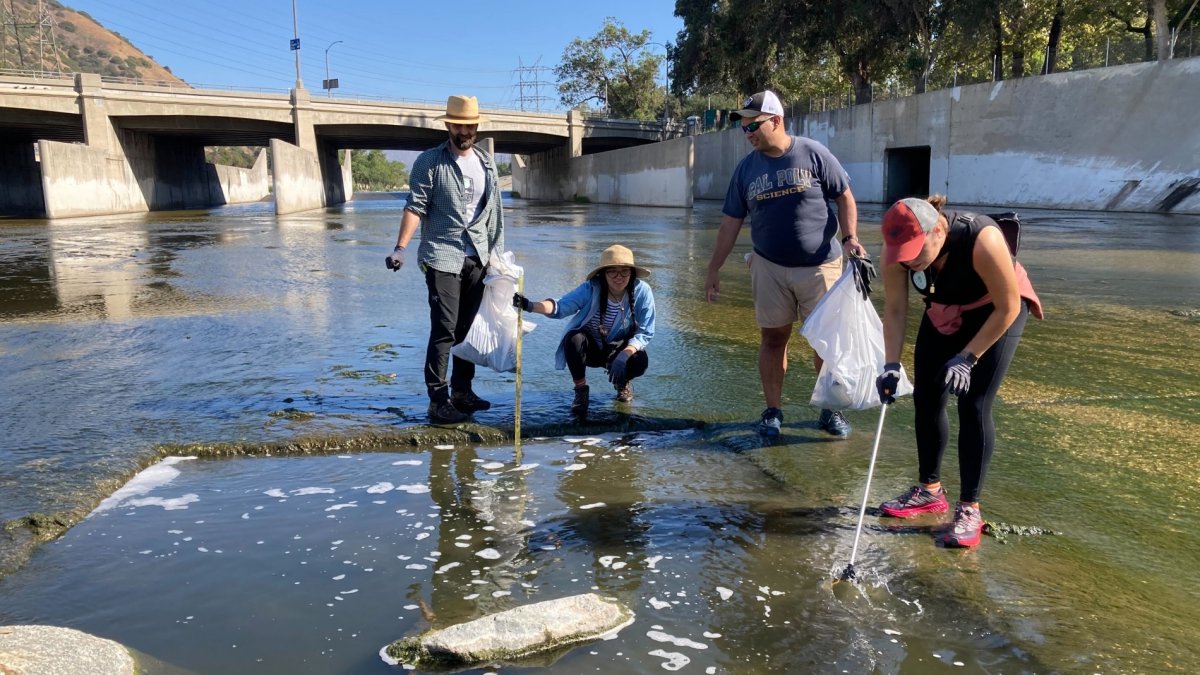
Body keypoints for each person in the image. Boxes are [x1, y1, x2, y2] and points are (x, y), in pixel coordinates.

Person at [875, 196, 1042, 548]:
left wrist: (969, 356)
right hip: (944, 309)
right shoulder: (896, 253)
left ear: (938, 229)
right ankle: (929, 490)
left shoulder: (982, 240)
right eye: (903, 254)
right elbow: (894, 310)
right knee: (927, 395)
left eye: (916, 251)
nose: (910, 260)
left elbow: (1008, 305)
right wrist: (891, 365)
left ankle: (970, 508)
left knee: (974, 404)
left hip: (996, 312)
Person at [705, 89, 866, 438]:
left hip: (821, 265)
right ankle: (773, 411)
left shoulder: (813, 153)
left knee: (825, 341)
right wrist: (713, 268)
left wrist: (850, 238)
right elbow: (730, 222)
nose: (747, 133)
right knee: (773, 337)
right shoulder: (745, 170)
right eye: (743, 127)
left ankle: (830, 410)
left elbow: (845, 197)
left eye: (753, 125)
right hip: (769, 266)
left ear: (776, 121)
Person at [385, 95, 504, 424]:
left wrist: (498, 256)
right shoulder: (429, 162)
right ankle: (437, 399)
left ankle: (461, 392)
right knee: (445, 328)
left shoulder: (487, 164)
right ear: (448, 125)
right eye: (459, 125)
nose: (465, 130)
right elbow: (415, 206)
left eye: (470, 125)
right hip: (442, 254)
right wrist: (400, 248)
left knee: (467, 329)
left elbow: (494, 214)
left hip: (477, 256)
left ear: (476, 127)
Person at [513, 244, 655, 418]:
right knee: (573, 338)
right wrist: (529, 305)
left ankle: (623, 383)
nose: (619, 277)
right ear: (603, 273)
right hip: (591, 349)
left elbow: (645, 332)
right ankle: (581, 392)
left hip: (621, 349)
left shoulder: (642, 291)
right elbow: (561, 306)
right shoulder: (591, 288)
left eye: (624, 272)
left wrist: (624, 356)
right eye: (612, 272)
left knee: (640, 359)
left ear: (631, 273)